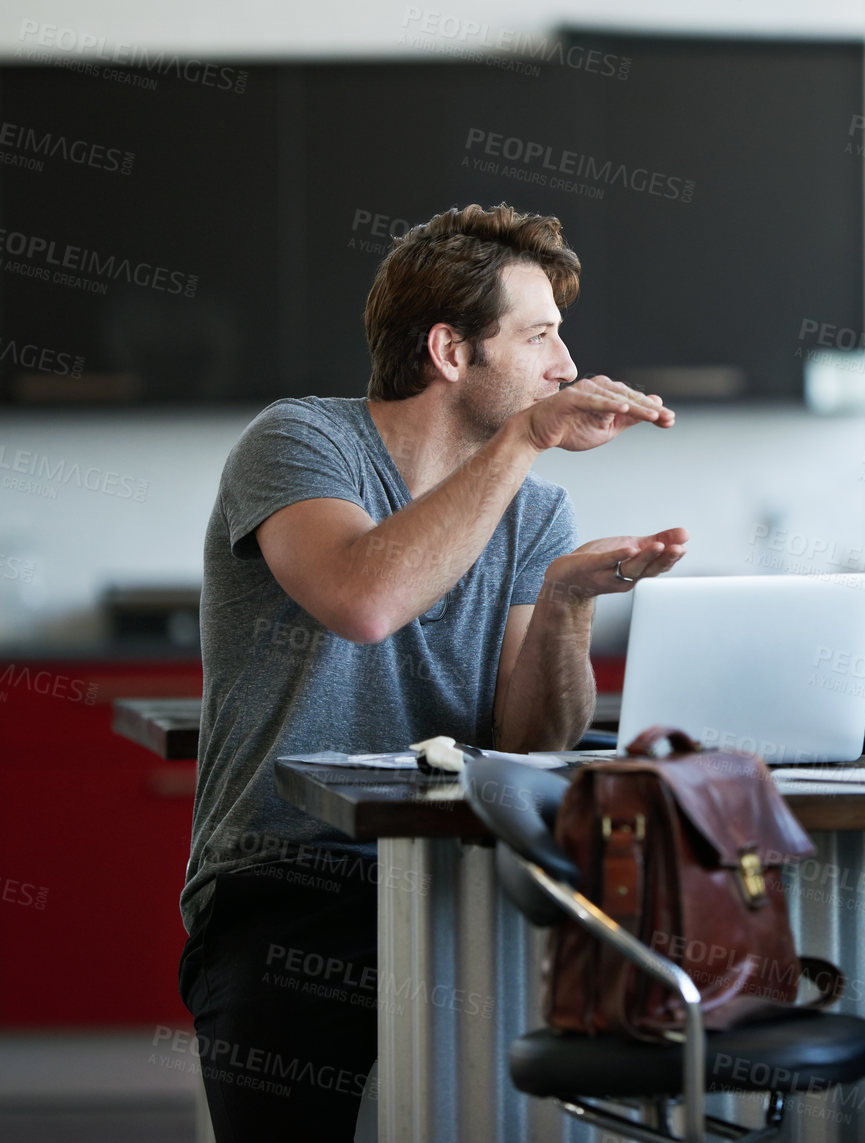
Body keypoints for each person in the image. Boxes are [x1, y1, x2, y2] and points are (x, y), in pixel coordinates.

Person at [177, 203, 687, 1141]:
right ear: (451, 351)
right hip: (289, 880)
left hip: (458, 875)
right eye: (539, 338)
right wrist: (525, 436)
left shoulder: (535, 513)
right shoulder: (299, 441)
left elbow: (529, 740)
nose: (567, 367)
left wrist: (569, 601)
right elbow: (365, 600)